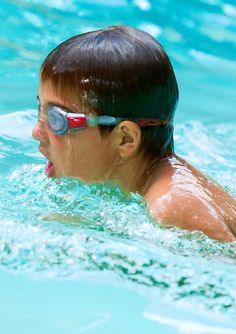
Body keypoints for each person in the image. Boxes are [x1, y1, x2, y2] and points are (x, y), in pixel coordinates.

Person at [32, 25, 236, 242]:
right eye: (40, 110)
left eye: (56, 119)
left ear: (125, 139)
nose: (36, 132)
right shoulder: (160, 186)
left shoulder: (172, 207)